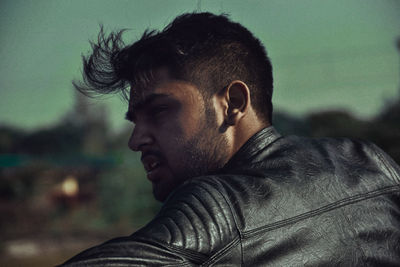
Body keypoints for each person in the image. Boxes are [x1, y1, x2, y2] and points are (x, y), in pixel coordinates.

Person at [61, 12, 400, 266]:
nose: (136, 140)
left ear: (233, 104)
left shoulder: (216, 203)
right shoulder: (369, 160)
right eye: (135, 121)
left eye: (159, 111)